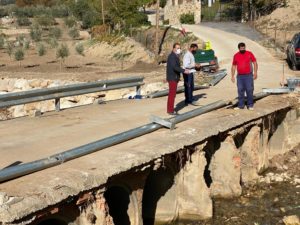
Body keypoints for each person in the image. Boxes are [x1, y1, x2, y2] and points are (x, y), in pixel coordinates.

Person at [231, 42, 258, 110]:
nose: (243, 49)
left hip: (248, 75)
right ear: (239, 48)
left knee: (249, 90)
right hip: (240, 77)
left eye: (244, 48)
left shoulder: (249, 53)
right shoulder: (236, 55)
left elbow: (254, 62)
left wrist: (255, 72)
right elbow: (234, 66)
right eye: (241, 48)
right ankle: (241, 105)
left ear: (245, 47)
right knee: (240, 90)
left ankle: (250, 105)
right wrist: (232, 76)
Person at [166, 43, 190, 115]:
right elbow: (174, 67)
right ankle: (170, 110)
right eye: (177, 48)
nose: (178, 49)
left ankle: (170, 109)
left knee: (172, 94)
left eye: (179, 48)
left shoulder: (175, 56)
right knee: (172, 94)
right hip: (172, 78)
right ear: (173, 48)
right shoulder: (172, 57)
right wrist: (184, 71)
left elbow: (176, 66)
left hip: (174, 77)